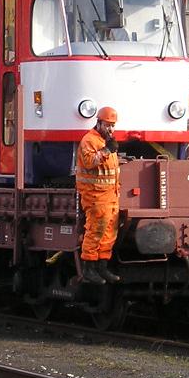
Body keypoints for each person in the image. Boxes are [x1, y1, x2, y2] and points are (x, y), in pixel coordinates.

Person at [76, 106, 122, 285]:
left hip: (110, 196)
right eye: (108, 125)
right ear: (99, 123)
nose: (111, 129)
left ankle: (102, 266)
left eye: (113, 125)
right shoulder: (89, 140)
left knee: (109, 233)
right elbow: (89, 162)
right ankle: (89, 268)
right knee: (95, 231)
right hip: (95, 196)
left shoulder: (107, 141)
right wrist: (106, 151)